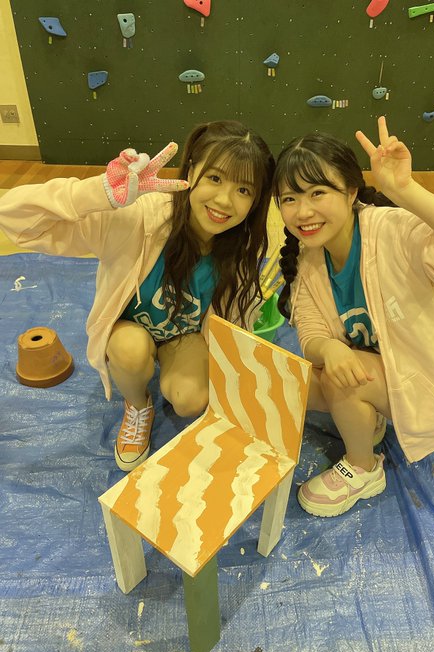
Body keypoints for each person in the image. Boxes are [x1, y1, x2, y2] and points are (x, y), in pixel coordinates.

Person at [0, 120, 275, 471]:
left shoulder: (240, 251)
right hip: (130, 333)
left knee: (190, 401)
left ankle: (168, 373)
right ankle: (138, 404)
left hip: (183, 338)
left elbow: (232, 327)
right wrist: (97, 193)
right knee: (129, 352)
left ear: (256, 201)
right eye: (215, 178)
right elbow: (14, 217)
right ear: (191, 170)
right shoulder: (138, 216)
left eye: (244, 190)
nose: (224, 200)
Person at [274, 115, 434, 518]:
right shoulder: (310, 260)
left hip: (428, 381)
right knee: (287, 384)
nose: (303, 211)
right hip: (382, 373)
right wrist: (329, 348)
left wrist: (405, 190)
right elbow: (311, 332)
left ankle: (364, 468)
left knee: (339, 381)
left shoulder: (393, 232)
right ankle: (369, 417)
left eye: (317, 192)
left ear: (351, 192)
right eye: (289, 199)